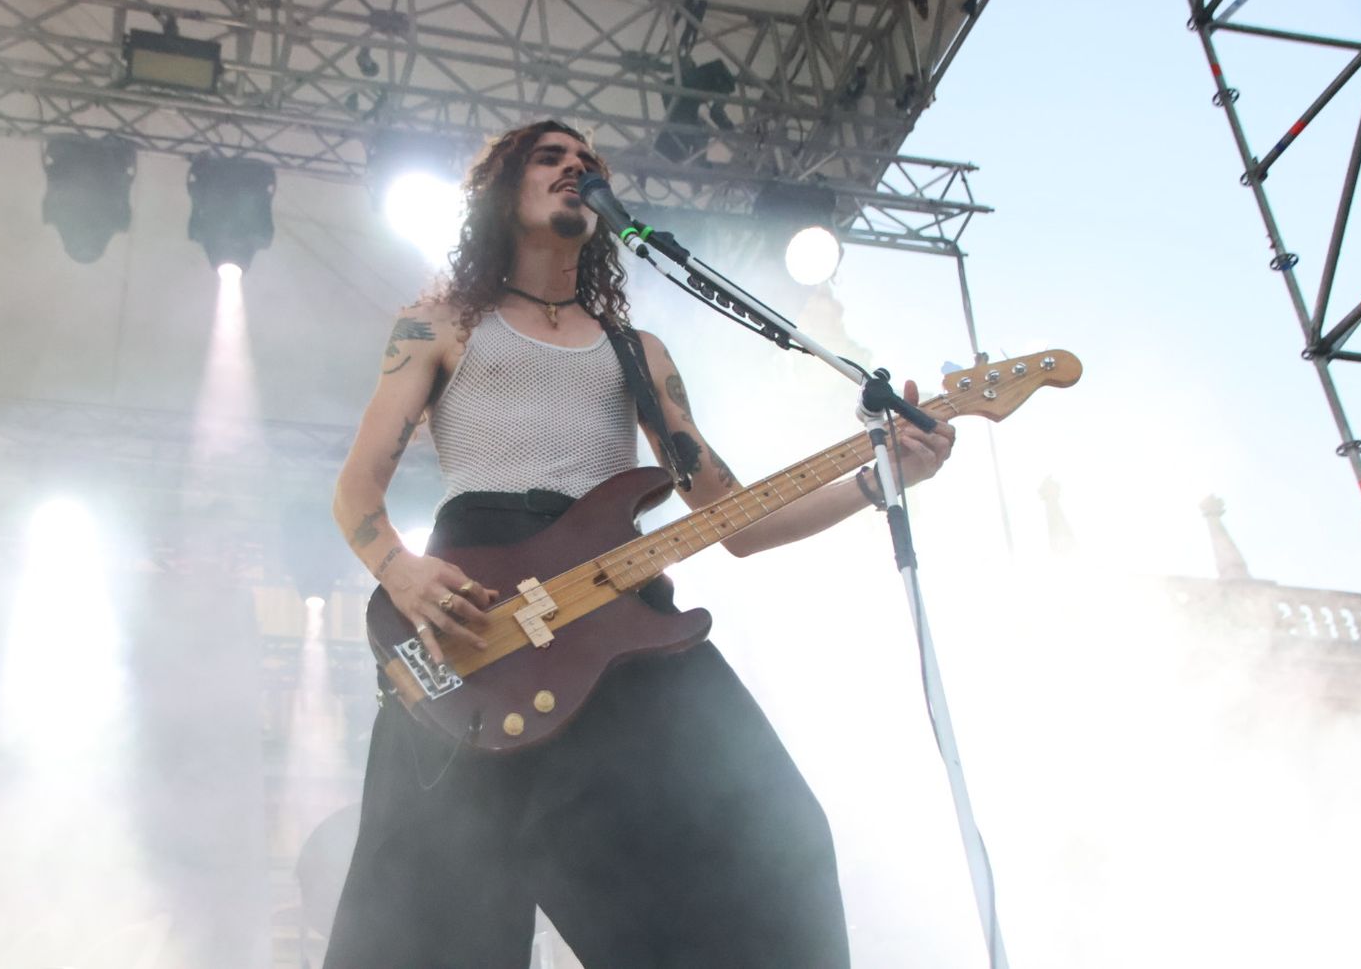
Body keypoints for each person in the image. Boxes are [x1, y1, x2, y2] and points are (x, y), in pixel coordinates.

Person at [324, 119, 956, 969]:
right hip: (481, 619)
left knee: (774, 838)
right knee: (437, 910)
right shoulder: (439, 325)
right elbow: (357, 486)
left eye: (587, 162)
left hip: (618, 611)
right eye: (551, 158)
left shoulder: (637, 352)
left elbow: (731, 518)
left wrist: (880, 480)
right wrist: (400, 572)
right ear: (503, 192)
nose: (575, 168)